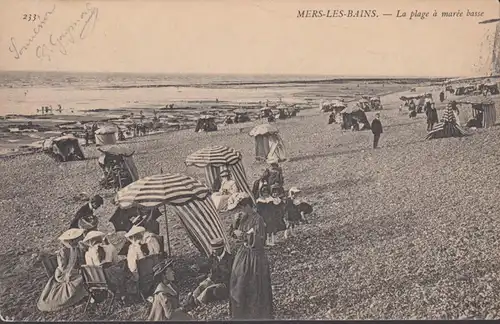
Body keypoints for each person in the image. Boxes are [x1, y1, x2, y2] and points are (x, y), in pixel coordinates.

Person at [227, 193, 273, 319]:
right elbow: (232, 233)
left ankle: (255, 314)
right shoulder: (242, 218)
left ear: (247, 206)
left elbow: (258, 241)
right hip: (243, 254)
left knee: (254, 284)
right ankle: (240, 312)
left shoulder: (258, 219)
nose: (240, 211)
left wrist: (242, 235)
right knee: (238, 282)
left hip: (255, 257)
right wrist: (235, 225)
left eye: (241, 208)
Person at [37, 229, 88, 312]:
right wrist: (75, 271)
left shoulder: (77, 248)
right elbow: (63, 268)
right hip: (63, 274)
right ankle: (74, 298)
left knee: (85, 274)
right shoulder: (63, 251)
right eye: (76, 239)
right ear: (71, 240)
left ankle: (81, 294)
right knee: (81, 278)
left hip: (73, 271)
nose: (79, 240)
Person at [183, 238, 233, 309]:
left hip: (224, 284)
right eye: (213, 249)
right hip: (213, 280)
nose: (214, 251)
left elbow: (228, 274)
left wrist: (216, 274)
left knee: (207, 290)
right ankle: (190, 299)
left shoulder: (229, 259)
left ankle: (196, 303)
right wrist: (198, 268)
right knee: (202, 285)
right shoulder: (213, 257)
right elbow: (207, 265)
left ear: (222, 248)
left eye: (216, 249)